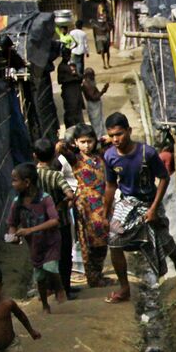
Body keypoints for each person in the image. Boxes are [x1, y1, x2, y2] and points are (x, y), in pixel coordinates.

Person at [101, 112, 176, 303]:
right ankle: (124, 288)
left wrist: (153, 209)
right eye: (112, 135)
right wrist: (105, 213)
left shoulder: (146, 153)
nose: (115, 139)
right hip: (127, 203)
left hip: (150, 201)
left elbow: (164, 178)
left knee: (164, 239)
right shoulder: (109, 156)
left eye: (119, 134)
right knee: (114, 241)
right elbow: (110, 185)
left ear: (129, 131)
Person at [7, 162, 63, 313]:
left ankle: (59, 288)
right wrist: (12, 237)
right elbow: (12, 224)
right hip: (35, 246)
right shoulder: (17, 203)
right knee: (40, 277)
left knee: (51, 268)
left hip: (51, 242)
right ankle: (45, 304)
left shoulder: (45, 199)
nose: (12, 184)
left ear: (26, 182)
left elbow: (54, 220)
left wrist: (30, 230)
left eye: (15, 180)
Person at [34, 138, 78, 299]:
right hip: (61, 222)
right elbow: (70, 194)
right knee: (64, 256)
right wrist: (62, 204)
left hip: (40, 224)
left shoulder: (30, 176)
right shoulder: (55, 176)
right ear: (54, 155)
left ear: (34, 156)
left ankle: (49, 288)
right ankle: (65, 289)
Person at [66, 123, 110, 287]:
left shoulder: (100, 155)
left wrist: (103, 140)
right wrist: (71, 144)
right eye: (82, 142)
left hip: (102, 202)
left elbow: (111, 141)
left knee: (103, 239)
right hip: (85, 204)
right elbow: (60, 147)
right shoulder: (75, 158)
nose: (86, 145)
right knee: (87, 241)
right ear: (76, 142)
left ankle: (98, 274)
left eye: (89, 141)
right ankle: (93, 277)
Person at [57, 55, 83, 130]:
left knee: (77, 113)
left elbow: (80, 78)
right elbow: (60, 80)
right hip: (69, 93)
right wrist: (72, 79)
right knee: (71, 113)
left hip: (76, 93)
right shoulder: (61, 67)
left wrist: (76, 76)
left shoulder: (71, 66)